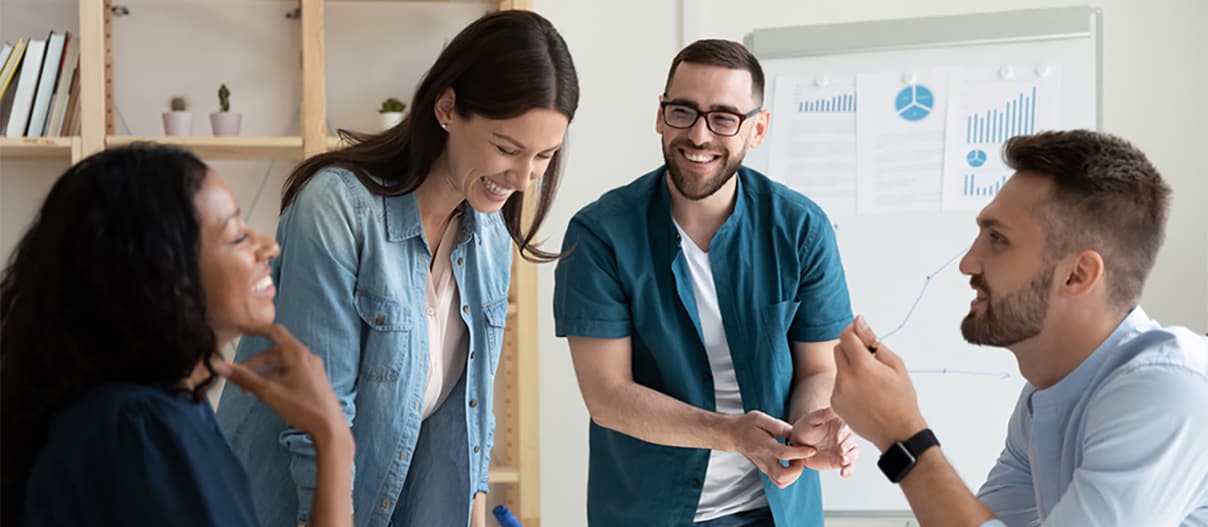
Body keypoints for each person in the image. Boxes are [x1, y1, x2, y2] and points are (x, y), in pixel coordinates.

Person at [215, 10, 579, 527]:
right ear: (447, 108)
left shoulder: (490, 235)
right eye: (506, 148)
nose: (523, 178)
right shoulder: (338, 210)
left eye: (544, 156)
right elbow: (319, 425)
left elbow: (472, 421)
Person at [831, 130, 1208, 526]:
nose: (968, 263)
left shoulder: (1169, 390)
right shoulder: (1045, 397)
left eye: (997, 239)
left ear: (1077, 275)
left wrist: (901, 435)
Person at [553, 39, 858, 527]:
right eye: (683, 111)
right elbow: (607, 395)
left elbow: (818, 369)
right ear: (660, 115)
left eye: (723, 118)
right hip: (648, 515)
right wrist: (731, 433)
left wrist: (809, 425)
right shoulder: (600, 234)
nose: (699, 135)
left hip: (778, 512)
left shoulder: (801, 228)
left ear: (758, 128)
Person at [0, 144, 354, 527]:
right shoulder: (140, 430)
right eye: (237, 236)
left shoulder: (164, 411)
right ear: (163, 275)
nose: (269, 247)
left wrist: (331, 437)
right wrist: (333, 437)